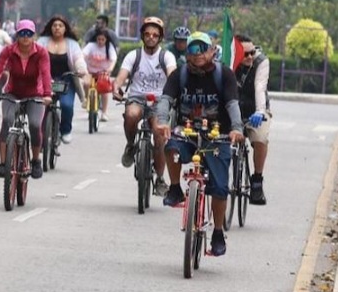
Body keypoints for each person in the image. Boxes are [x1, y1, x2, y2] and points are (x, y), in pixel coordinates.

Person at [153, 31, 244, 257]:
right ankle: (175, 188)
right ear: (187, 53)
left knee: (220, 187)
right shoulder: (179, 75)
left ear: (212, 51)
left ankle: (218, 233)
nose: (198, 54)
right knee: (171, 148)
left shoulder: (224, 75)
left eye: (203, 48)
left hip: (217, 136)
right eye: (193, 49)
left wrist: (236, 128)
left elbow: (232, 104)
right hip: (187, 132)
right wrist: (163, 122)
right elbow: (165, 100)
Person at [113, 16, 177, 196]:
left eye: (155, 35)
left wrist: (176, 92)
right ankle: (130, 145)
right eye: (147, 34)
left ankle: (160, 178)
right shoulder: (134, 55)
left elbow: (173, 76)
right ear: (142, 36)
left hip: (160, 101)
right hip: (137, 98)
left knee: (159, 134)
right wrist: (117, 88)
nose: (151, 37)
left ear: (160, 38)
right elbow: (121, 76)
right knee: (132, 115)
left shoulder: (167, 56)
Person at [0, 20, 54, 179]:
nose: (25, 37)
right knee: (7, 120)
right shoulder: (8, 51)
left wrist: (47, 94)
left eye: (29, 34)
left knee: (35, 124)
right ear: (17, 35)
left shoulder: (41, 52)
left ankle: (36, 160)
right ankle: (3, 163)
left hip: (34, 95)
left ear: (34, 35)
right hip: (12, 93)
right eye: (22, 33)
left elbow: (45, 73)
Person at [37, 16, 89, 145]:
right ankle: (42, 134)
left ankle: (65, 130)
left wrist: (82, 70)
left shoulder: (72, 44)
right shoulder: (42, 41)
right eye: (54, 25)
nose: (57, 28)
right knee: (42, 106)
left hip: (65, 80)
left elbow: (78, 59)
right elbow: (34, 56)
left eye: (60, 25)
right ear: (50, 27)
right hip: (45, 79)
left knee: (66, 105)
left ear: (65, 28)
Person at [234, 34, 271, 205]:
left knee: (260, 138)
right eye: (245, 54)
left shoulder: (261, 62)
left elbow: (260, 87)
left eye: (252, 53)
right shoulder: (227, 61)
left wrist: (260, 111)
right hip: (232, 112)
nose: (249, 57)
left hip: (255, 110)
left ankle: (257, 180)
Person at [82, 28, 118, 122]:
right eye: (99, 39)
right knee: (86, 83)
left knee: (105, 91)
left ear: (106, 39)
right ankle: (86, 99)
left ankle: (104, 113)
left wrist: (110, 69)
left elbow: (113, 60)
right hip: (90, 71)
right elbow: (83, 55)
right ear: (96, 39)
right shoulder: (90, 46)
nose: (100, 42)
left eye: (103, 39)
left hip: (103, 73)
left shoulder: (109, 47)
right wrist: (82, 66)